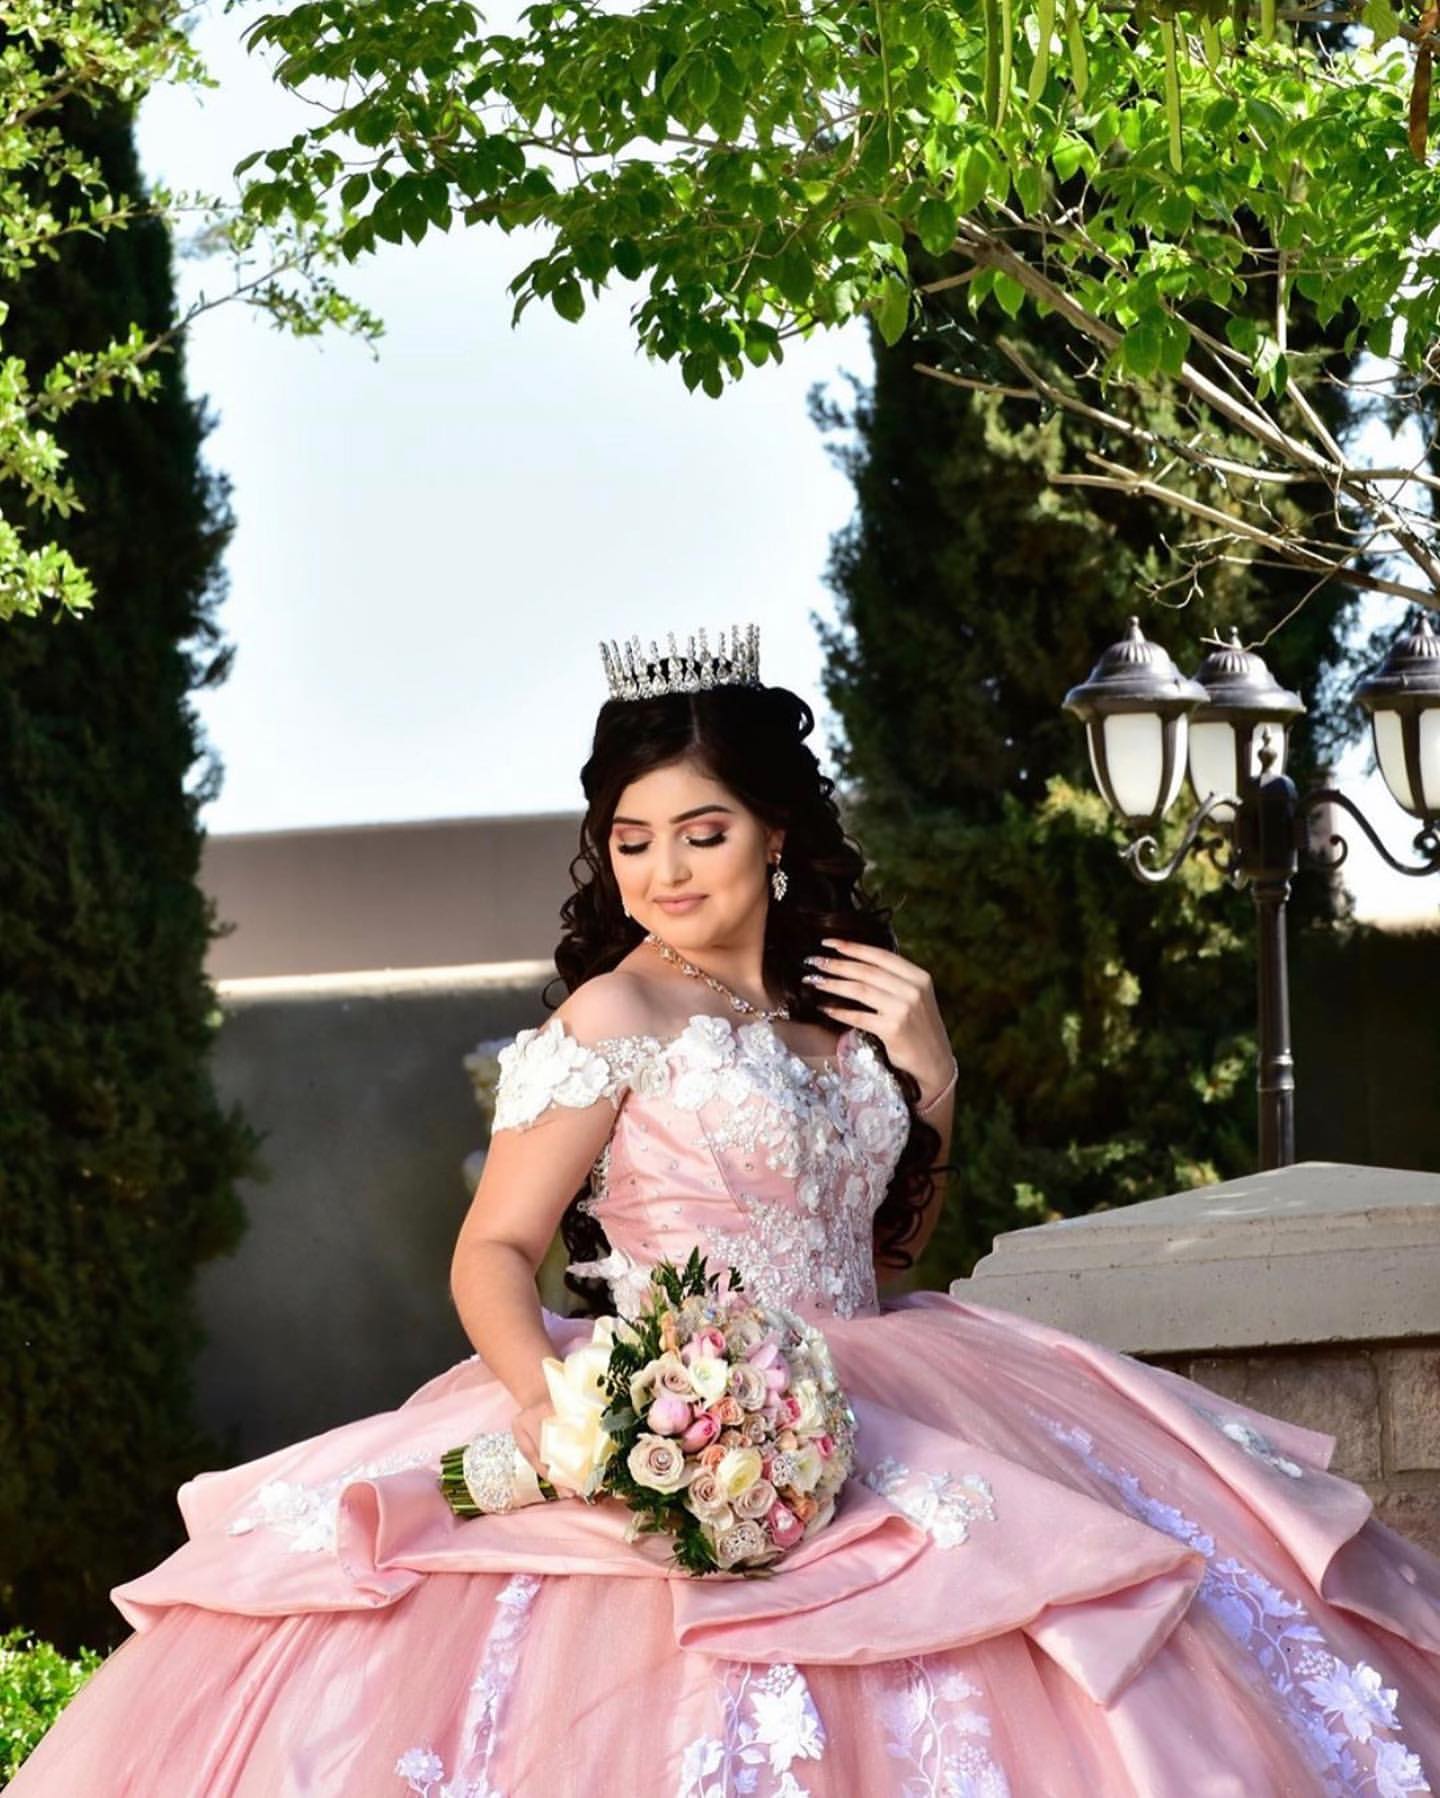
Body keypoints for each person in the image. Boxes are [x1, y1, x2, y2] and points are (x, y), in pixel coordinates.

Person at [12, 622, 1440, 1798]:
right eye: (632, 838)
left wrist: (931, 1083)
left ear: (776, 836)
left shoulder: (846, 1017)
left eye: (702, 830)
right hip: (658, 1410)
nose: (665, 869)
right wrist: (565, 1411)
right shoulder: (614, 1010)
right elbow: (495, 1249)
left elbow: (880, 1262)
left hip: (875, 1386)